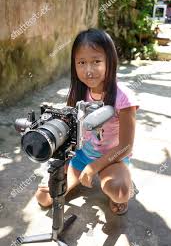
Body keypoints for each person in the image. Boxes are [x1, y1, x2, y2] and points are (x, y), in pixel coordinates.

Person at [35, 28, 139, 215]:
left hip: (113, 158)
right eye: (81, 62)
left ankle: (124, 178)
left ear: (110, 61)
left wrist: (95, 167)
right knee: (44, 198)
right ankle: (80, 176)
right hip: (81, 155)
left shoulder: (124, 98)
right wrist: (61, 163)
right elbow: (70, 128)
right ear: (74, 64)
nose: (88, 70)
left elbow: (126, 146)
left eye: (96, 61)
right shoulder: (78, 92)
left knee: (120, 192)